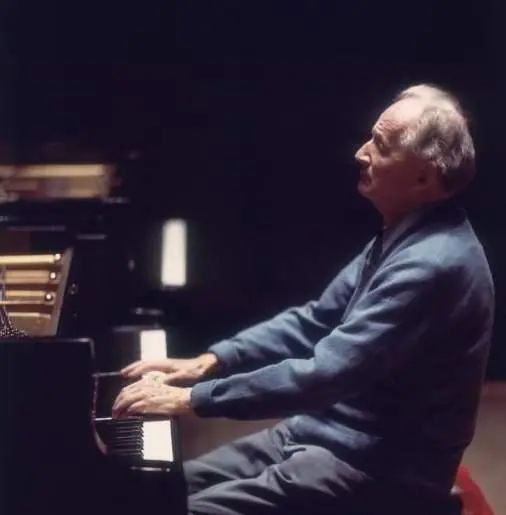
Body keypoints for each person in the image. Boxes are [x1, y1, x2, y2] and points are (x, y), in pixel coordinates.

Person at [112, 84, 495, 514]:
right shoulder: (405, 233)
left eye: (381, 146)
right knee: (151, 493)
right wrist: (211, 361)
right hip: (323, 434)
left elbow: (325, 375)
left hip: (378, 468)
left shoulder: (431, 264)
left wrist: (193, 399)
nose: (361, 153)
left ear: (425, 177)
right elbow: (315, 320)